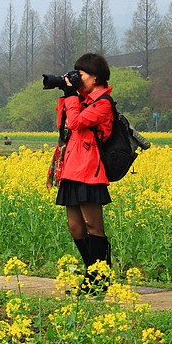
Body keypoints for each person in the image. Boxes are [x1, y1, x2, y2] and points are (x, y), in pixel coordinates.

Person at [55, 53, 114, 291]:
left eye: (81, 75)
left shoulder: (104, 103)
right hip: (71, 169)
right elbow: (65, 124)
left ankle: (96, 280)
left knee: (93, 226)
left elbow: (77, 123)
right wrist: (68, 93)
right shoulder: (83, 100)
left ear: (95, 76)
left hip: (89, 170)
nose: (77, 78)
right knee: (75, 228)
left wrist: (72, 96)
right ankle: (95, 275)